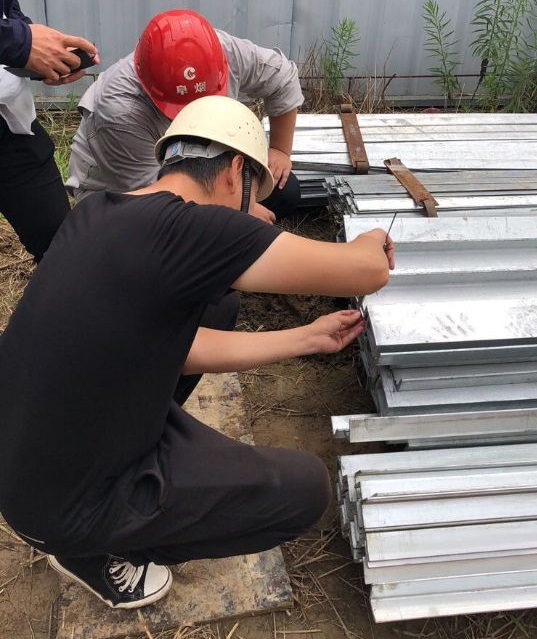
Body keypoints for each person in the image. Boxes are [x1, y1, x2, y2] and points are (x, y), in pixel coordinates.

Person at [0, 95, 395, 610]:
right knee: (302, 491)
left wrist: (308, 337)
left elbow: (178, 347)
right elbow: (367, 271)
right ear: (234, 171)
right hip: (66, 512)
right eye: (252, 194)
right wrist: (372, 237)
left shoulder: (100, 210)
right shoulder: (198, 229)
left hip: (25, 466)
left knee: (218, 306)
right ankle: (96, 552)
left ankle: (102, 512)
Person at [66, 9, 304, 224]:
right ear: (146, 86)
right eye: (182, 107)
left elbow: (283, 78)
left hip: (203, 163)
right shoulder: (120, 111)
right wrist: (239, 211)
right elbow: (157, 201)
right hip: (126, 190)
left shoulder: (225, 52)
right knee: (157, 237)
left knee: (285, 192)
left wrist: (280, 150)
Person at [0, 0, 98, 261]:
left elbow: (7, 11)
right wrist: (21, 43)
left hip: (10, 121)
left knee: (61, 243)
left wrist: (42, 55)